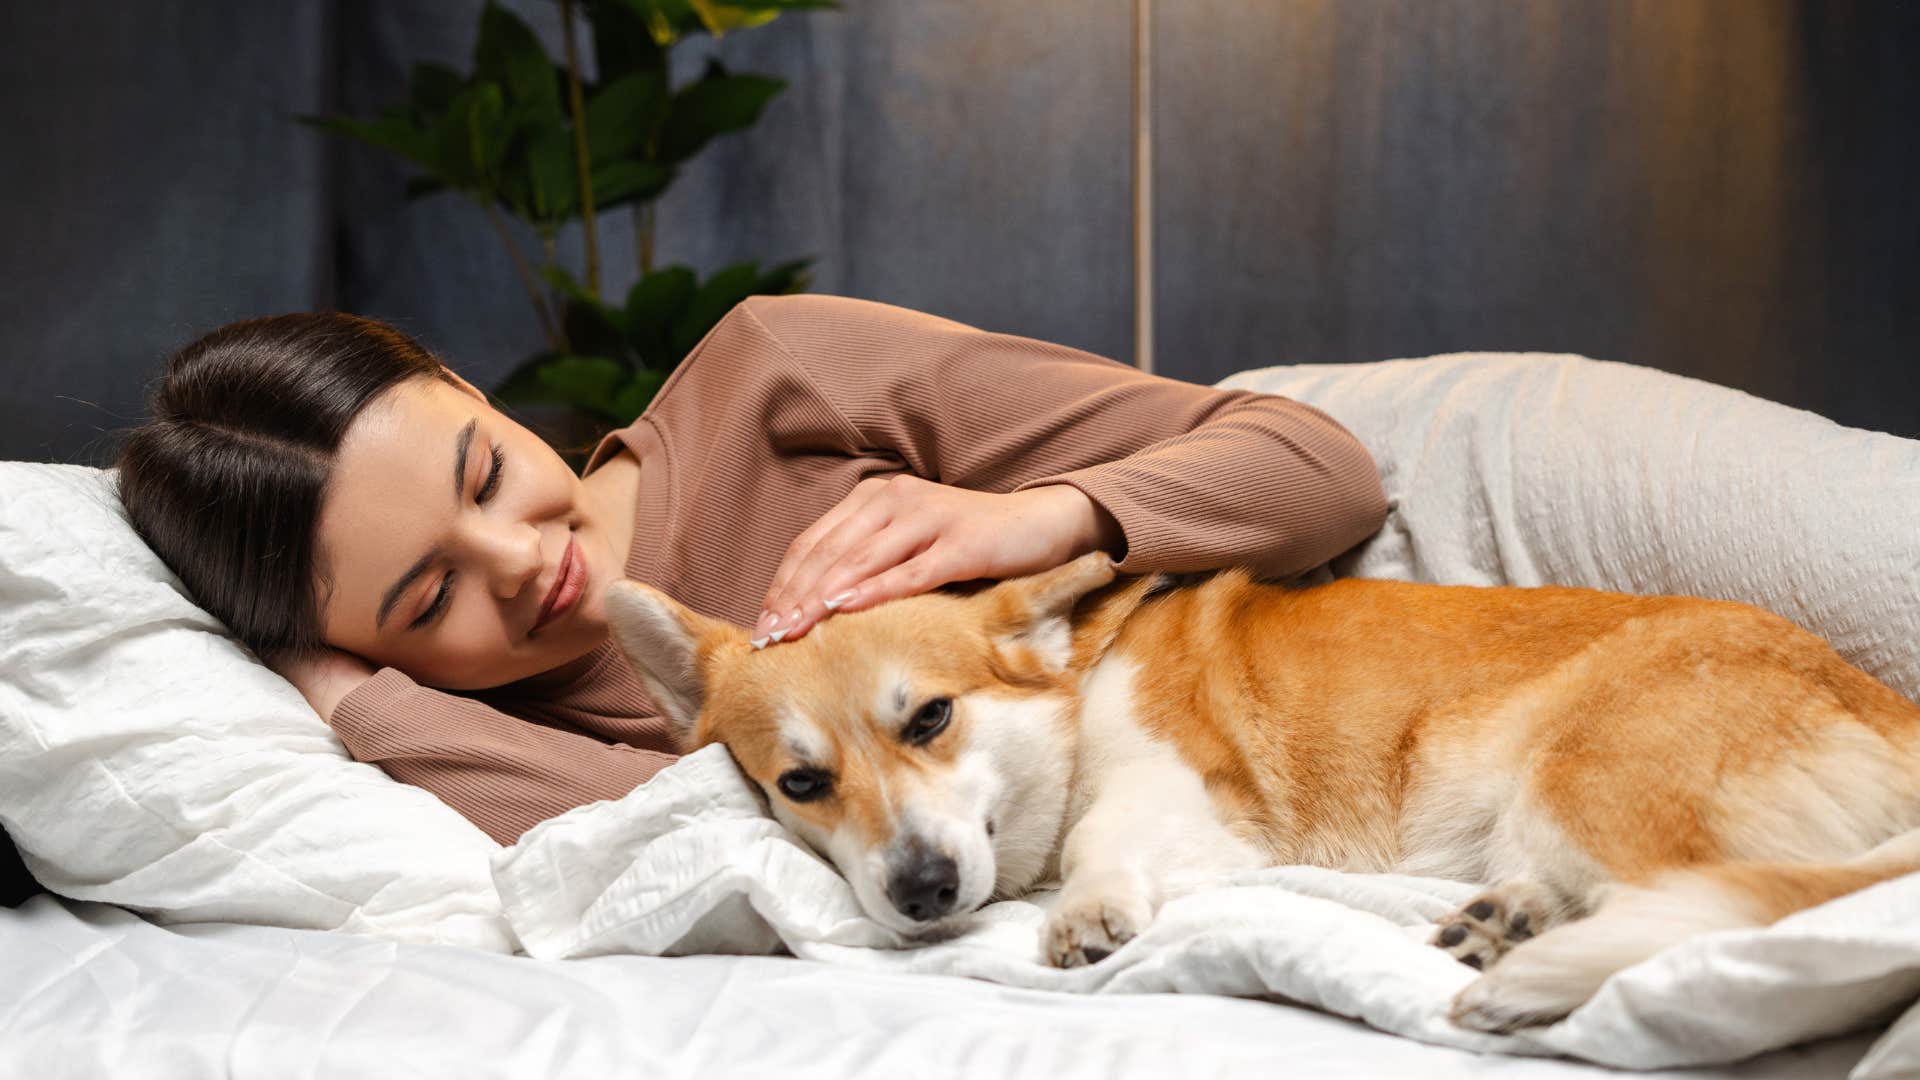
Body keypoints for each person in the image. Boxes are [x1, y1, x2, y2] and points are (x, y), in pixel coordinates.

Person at [116, 293, 1389, 846]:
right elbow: (710, 837)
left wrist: (1039, 520)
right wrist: (353, 702)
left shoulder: (781, 374)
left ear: (465, 386)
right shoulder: (478, 731)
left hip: (1327, 720)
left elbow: (1324, 470)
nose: (522, 561)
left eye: (486, 472)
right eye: (428, 595)